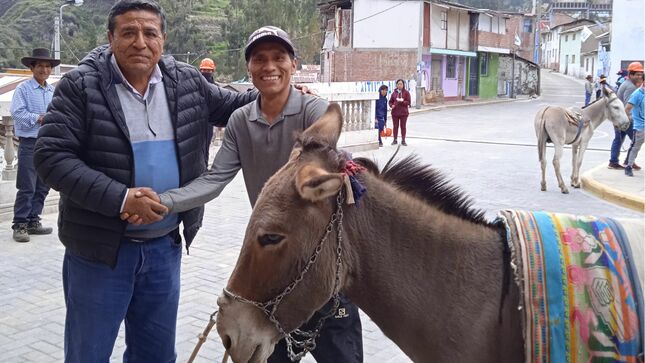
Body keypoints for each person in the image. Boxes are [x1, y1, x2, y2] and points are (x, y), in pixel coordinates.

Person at [124, 25, 364, 363]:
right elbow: (215, 179)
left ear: (293, 65)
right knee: (269, 352)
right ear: (249, 69)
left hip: (320, 259)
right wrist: (163, 202)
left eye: (279, 57)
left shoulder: (313, 111)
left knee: (340, 352)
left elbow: (326, 165)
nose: (270, 66)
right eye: (259, 59)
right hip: (274, 265)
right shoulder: (240, 121)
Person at [33, 1, 257, 361]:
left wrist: (281, 95)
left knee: (155, 355)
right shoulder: (81, 87)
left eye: (149, 33)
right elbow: (51, 157)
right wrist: (122, 199)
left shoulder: (185, 81)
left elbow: (234, 106)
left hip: (162, 249)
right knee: (88, 353)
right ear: (110, 38)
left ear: (162, 40)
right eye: (129, 32)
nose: (140, 42)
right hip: (100, 251)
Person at [9, 48, 58, 243]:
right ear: (32, 67)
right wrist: (39, 118)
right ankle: (20, 223)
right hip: (29, 143)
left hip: (48, 142)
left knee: (43, 185)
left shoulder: (52, 90)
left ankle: (33, 220)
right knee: (27, 185)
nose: (45, 69)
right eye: (40, 66)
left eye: (48, 66)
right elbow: (17, 113)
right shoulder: (23, 89)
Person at [610, 61, 644, 170]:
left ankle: (613, 161)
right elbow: (627, 106)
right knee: (635, 142)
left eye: (641, 74)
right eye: (637, 74)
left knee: (618, 140)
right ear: (630, 74)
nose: (639, 76)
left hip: (619, 118)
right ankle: (628, 162)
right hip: (625, 120)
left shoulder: (627, 83)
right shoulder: (631, 87)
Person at [624, 83, 645, 177]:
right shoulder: (637, 94)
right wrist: (627, 119)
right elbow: (627, 108)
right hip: (640, 126)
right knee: (635, 147)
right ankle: (629, 166)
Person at [199, 57, 217, 164]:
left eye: (208, 70)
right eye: (204, 70)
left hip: (209, 122)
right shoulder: (194, 85)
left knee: (206, 146)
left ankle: (204, 165)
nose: (206, 72)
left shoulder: (216, 88)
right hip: (196, 121)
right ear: (200, 70)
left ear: (212, 71)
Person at [388, 79, 411, 146]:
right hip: (395, 113)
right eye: (398, 84)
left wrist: (402, 101)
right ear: (396, 85)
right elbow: (390, 101)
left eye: (401, 84)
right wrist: (391, 105)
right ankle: (395, 140)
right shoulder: (394, 92)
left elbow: (409, 102)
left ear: (403, 85)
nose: (399, 85)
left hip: (404, 113)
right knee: (395, 126)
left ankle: (403, 140)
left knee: (403, 126)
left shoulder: (406, 93)